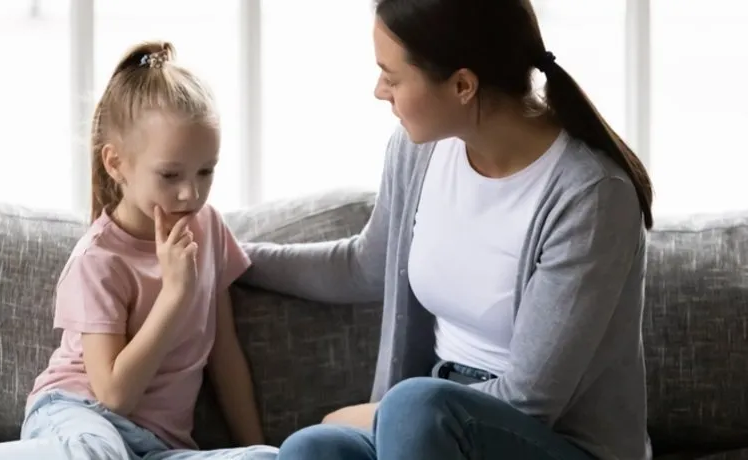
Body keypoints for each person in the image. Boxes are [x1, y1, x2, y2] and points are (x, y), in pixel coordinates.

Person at [237, 1, 653, 459]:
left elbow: (530, 400)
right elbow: (365, 266)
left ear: (462, 85)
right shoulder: (418, 153)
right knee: (314, 449)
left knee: (415, 409)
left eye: (392, 77)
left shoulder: (590, 196)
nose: (379, 90)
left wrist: (375, 413)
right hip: (428, 427)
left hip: (554, 443)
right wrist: (232, 257)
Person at [0, 41, 278, 460]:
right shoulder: (99, 260)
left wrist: (256, 443)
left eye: (206, 171)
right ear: (116, 164)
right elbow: (113, 395)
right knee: (100, 454)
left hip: (158, 447)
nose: (191, 192)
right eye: (170, 174)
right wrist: (175, 295)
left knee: (270, 459)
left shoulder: (209, 229)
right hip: (81, 416)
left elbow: (225, 355)